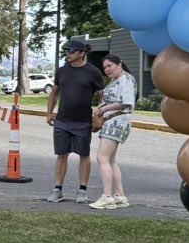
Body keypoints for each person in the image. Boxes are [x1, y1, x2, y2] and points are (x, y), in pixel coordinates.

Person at [45, 38, 104, 204]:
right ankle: (57, 190)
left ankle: (82, 191)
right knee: (61, 155)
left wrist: (98, 118)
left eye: (70, 51)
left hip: (83, 122)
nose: (67, 54)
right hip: (62, 121)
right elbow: (54, 92)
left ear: (81, 53)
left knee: (84, 155)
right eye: (66, 51)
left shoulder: (93, 72)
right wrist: (49, 113)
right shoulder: (62, 71)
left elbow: (102, 97)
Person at [89, 55, 137, 209]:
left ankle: (107, 196)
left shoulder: (126, 79)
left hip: (116, 121)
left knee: (102, 157)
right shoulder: (116, 80)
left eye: (110, 65)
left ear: (119, 64)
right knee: (110, 160)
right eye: (105, 67)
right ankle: (120, 195)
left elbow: (125, 102)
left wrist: (102, 109)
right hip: (112, 121)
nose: (107, 69)